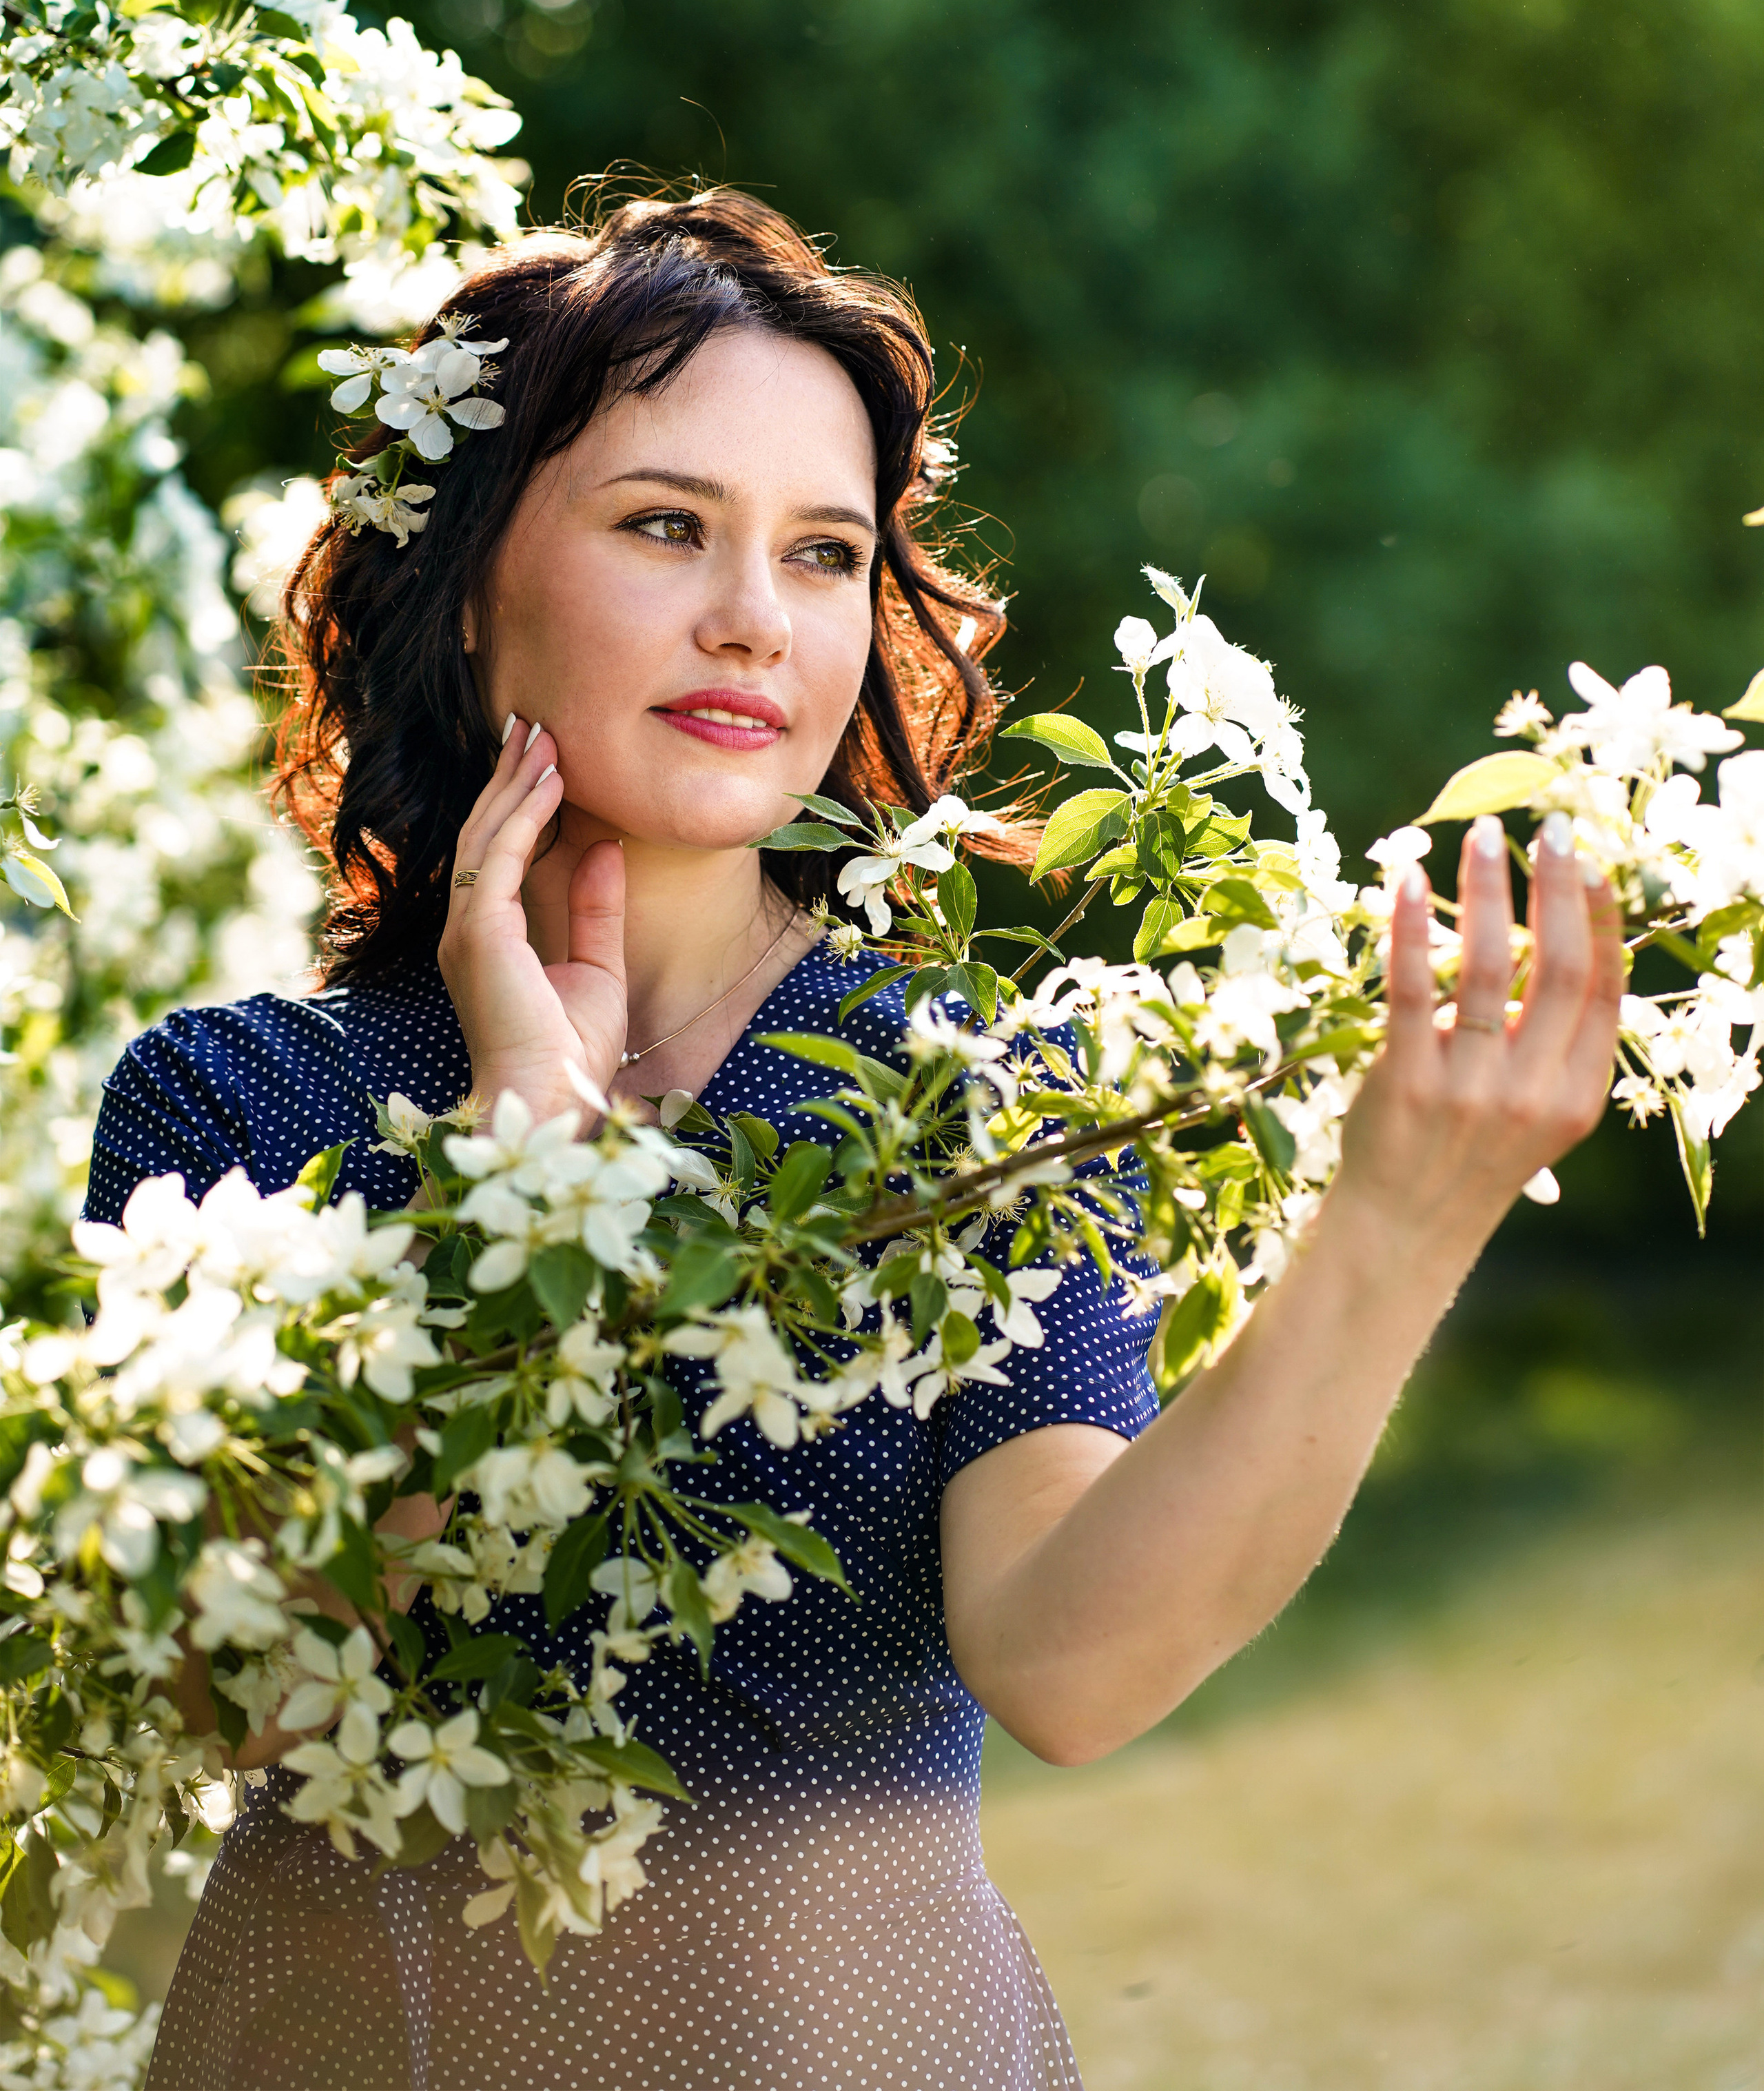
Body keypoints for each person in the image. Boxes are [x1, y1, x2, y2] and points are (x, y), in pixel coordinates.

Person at [85, 189, 1623, 2091]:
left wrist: (1403, 1218)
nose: (756, 617)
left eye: (825, 556)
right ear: (468, 580)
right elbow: (220, 1693)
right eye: (667, 526)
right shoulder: (239, 1104)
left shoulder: (972, 1097)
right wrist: (515, 1199)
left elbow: (1071, 1660)